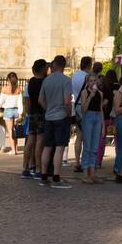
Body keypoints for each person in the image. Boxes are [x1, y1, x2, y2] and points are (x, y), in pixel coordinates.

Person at [38, 55, 73, 188]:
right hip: (61, 116)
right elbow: (67, 101)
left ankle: (44, 176)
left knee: (47, 147)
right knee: (59, 147)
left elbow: (41, 99)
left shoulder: (46, 80)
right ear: (63, 66)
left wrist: (48, 109)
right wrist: (68, 113)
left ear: (54, 65)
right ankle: (56, 178)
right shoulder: (66, 80)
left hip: (49, 116)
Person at [78, 64, 106, 184]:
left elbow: (100, 110)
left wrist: (103, 125)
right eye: (91, 81)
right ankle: (85, 173)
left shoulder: (100, 94)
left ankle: (93, 173)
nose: (93, 82)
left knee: (95, 147)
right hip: (88, 117)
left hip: (97, 118)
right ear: (87, 82)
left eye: (95, 80)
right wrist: (91, 95)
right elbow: (83, 109)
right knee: (87, 147)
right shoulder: (85, 92)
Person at [22, 59, 47, 178]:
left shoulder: (30, 82)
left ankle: (25, 167)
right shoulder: (44, 82)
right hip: (41, 113)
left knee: (30, 140)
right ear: (42, 68)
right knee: (40, 141)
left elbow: (26, 101)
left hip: (32, 113)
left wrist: (28, 113)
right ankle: (38, 168)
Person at [69, 55, 92, 172]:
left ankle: (77, 161)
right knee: (87, 135)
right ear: (89, 65)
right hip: (86, 106)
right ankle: (85, 162)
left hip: (76, 105)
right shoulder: (88, 77)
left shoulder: (74, 75)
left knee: (79, 136)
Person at [96, 68, 117, 170]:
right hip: (115, 116)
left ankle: (98, 161)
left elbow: (105, 102)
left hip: (104, 116)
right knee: (117, 139)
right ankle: (118, 162)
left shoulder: (104, 88)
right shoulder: (118, 86)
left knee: (102, 139)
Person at [0, 72, 24, 155]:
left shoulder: (4, 89)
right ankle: (15, 149)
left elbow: (0, 103)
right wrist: (20, 113)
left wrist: (1, 105)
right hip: (16, 111)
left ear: (8, 79)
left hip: (8, 110)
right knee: (15, 130)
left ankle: (13, 150)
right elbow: (20, 103)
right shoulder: (19, 89)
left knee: (10, 131)